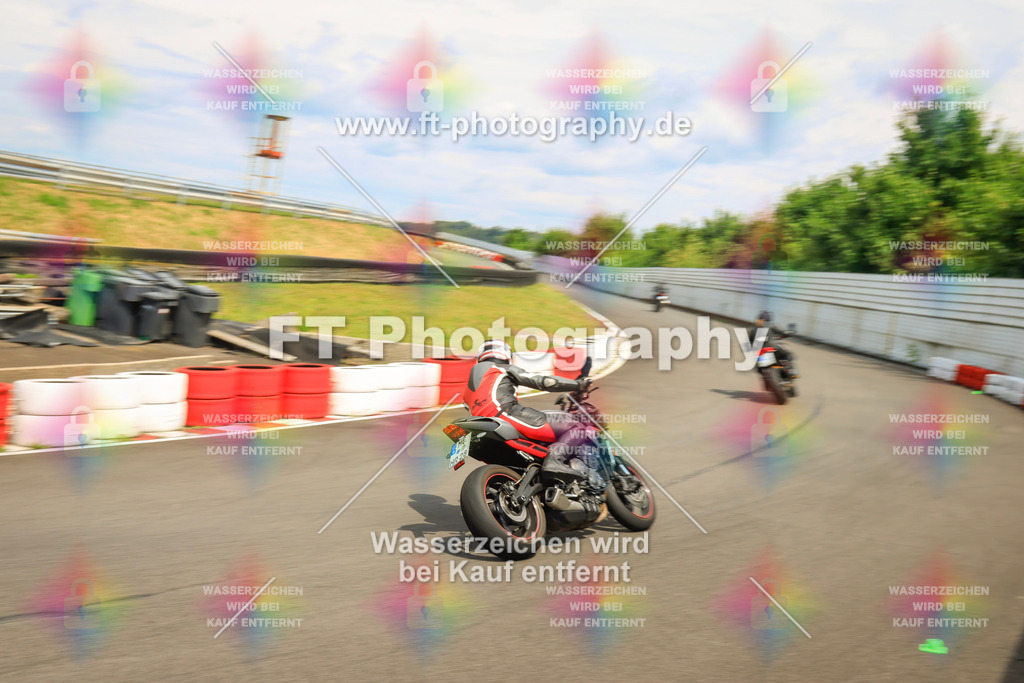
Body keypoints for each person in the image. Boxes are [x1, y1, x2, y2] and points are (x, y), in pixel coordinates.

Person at [464, 339, 601, 488]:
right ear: (506, 354)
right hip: (508, 415)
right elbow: (544, 381)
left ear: (481, 356)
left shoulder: (468, 390)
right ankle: (555, 460)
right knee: (576, 426)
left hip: (485, 426)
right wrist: (578, 384)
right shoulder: (501, 368)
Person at [746, 311, 798, 378]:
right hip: (773, 347)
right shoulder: (771, 325)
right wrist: (791, 332)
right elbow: (784, 332)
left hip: (759, 353)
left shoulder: (752, 329)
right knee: (787, 354)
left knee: (758, 368)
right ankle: (791, 371)